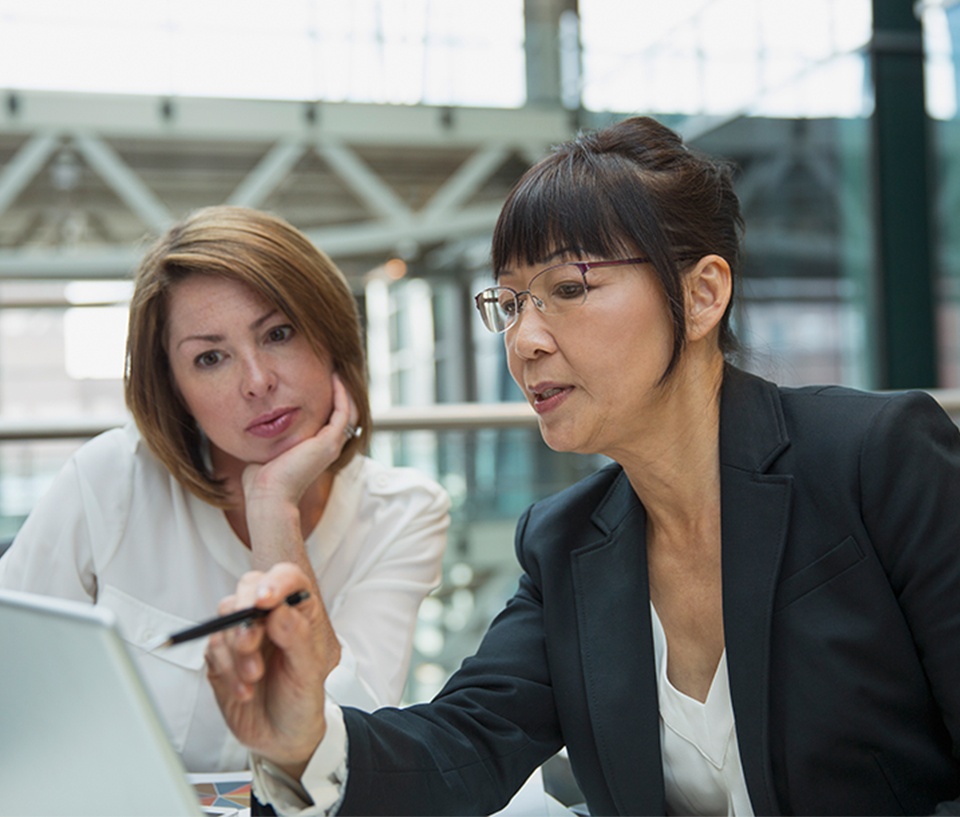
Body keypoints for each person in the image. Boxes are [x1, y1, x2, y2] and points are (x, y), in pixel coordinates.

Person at [204, 117, 960, 816]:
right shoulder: (566, 542)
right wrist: (304, 737)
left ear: (701, 296)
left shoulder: (875, 457)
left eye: (568, 289)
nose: (524, 339)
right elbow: (463, 744)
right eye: (508, 300)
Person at [0, 205, 450, 774]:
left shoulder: (403, 512)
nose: (258, 381)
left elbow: (344, 750)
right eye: (210, 358)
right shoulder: (110, 479)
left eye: (279, 333)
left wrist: (273, 511)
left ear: (332, 336)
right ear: (174, 389)